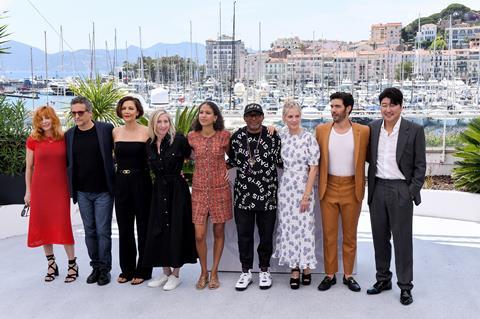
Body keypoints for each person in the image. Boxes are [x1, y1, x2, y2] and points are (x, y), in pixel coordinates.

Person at [366, 87, 426, 306]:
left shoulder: (415, 130)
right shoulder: (372, 128)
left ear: (401, 106)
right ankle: (383, 279)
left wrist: (411, 192)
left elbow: (420, 166)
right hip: (377, 188)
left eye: (392, 105)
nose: (388, 109)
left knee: (402, 241)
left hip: (401, 189)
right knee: (379, 239)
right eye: (384, 105)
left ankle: (405, 287)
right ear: (379, 107)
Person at [315, 92, 369, 293]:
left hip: (351, 188)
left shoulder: (363, 131)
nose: (333, 110)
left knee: (349, 236)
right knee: (329, 235)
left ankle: (348, 275)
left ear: (348, 109)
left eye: (337, 106)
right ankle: (330, 275)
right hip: (327, 188)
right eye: (331, 106)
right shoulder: (321, 130)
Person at [227, 103, 282, 291]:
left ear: (263, 117)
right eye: (249, 115)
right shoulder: (236, 137)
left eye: (257, 115)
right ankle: (246, 271)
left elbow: (283, 160)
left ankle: (264, 270)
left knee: (266, 236)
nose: (253, 119)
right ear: (244, 118)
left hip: (267, 196)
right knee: (244, 236)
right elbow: (230, 160)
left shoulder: (273, 136)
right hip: (243, 196)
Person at [144, 110, 197, 291]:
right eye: (159, 121)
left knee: (177, 229)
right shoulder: (149, 144)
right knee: (159, 230)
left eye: (166, 121)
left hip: (177, 190)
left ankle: (176, 274)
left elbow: (195, 156)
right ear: (153, 123)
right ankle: (165, 273)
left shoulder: (179, 140)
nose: (163, 125)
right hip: (158, 190)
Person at [24, 105, 77, 283]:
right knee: (44, 225)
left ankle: (72, 264)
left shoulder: (64, 138)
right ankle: (51, 264)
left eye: (47, 117)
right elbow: (29, 168)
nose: (44, 121)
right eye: (41, 119)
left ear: (53, 118)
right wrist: (28, 191)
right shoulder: (33, 140)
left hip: (60, 189)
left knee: (62, 224)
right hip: (39, 190)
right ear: (37, 122)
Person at [65, 96, 115, 286]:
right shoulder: (69, 135)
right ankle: (95, 267)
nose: (76, 116)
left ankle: (105, 270)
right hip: (82, 192)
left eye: (80, 112)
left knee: (103, 231)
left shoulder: (105, 130)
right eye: (73, 113)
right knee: (89, 231)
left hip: (103, 191)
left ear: (90, 112)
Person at [272, 101, 319, 289]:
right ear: (284, 118)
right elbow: (271, 132)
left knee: (305, 228)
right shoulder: (281, 135)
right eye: (290, 116)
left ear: (301, 117)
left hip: (303, 185)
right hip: (286, 188)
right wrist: (271, 127)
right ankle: (294, 269)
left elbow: (314, 168)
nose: (293, 120)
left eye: (297, 116)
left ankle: (306, 266)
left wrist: (306, 195)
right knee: (289, 228)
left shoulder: (309, 138)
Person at [188, 101, 232, 290]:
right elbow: (183, 156)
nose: (203, 115)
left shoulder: (224, 136)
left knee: (219, 231)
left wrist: (227, 167)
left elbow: (235, 156)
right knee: (199, 235)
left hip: (219, 190)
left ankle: (214, 272)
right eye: (201, 112)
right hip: (198, 190)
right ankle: (203, 271)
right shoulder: (191, 137)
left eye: (208, 112)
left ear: (215, 117)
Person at [112, 96, 152, 285]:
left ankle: (143, 269)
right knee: (124, 228)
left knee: (143, 227)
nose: (127, 111)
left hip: (141, 182)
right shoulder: (115, 132)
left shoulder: (147, 132)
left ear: (138, 111)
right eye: (124, 108)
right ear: (120, 111)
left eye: (131, 108)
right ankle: (126, 269)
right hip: (121, 182)